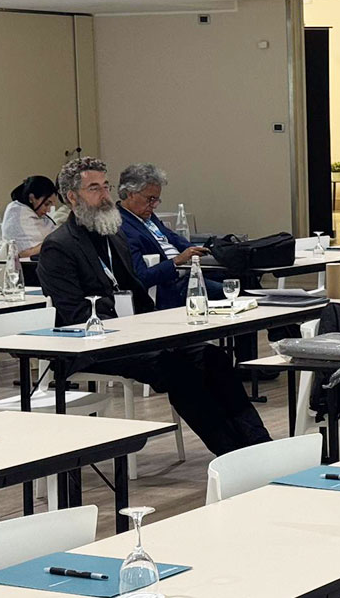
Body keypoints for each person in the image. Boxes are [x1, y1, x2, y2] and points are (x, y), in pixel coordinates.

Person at [37, 157, 270, 456]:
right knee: (180, 372)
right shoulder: (59, 246)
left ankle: (260, 446)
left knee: (214, 358)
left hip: (137, 334)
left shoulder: (113, 234)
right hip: (95, 345)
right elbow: (76, 315)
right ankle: (233, 454)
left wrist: (159, 327)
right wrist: (132, 329)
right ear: (72, 197)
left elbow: (136, 290)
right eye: (94, 188)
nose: (105, 195)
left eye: (106, 186)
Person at [116, 163, 224, 310]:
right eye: (150, 199)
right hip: (169, 287)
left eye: (156, 200)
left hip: (188, 273)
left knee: (240, 278)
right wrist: (176, 261)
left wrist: (196, 250)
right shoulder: (121, 226)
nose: (154, 205)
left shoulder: (146, 215)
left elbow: (173, 238)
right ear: (130, 194)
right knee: (230, 292)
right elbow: (140, 277)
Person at [2, 175, 59, 257]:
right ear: (31, 198)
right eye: (46, 204)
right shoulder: (17, 213)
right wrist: (53, 244)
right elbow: (23, 253)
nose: (49, 210)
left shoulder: (39, 215)